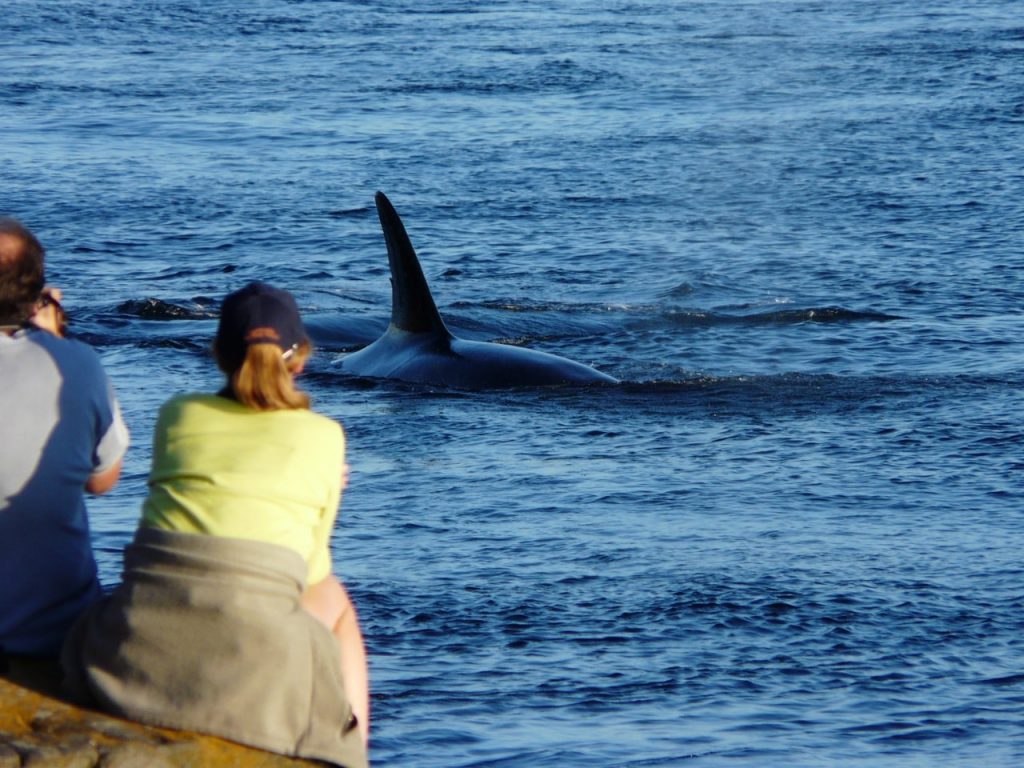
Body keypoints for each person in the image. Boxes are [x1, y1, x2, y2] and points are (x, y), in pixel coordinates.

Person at [63, 282, 369, 768]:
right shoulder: (324, 436)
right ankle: (351, 750)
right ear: (301, 359)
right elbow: (309, 571)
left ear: (218, 353)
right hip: (252, 678)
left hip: (130, 654)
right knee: (334, 599)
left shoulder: (178, 413)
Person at [0, 218, 129, 683]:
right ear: (38, 292)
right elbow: (103, 479)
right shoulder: (79, 363)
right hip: (53, 636)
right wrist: (55, 347)